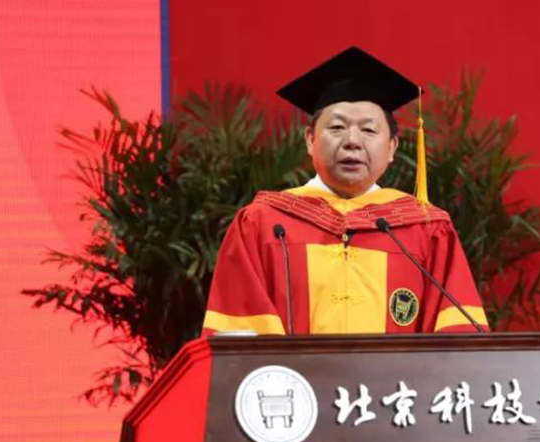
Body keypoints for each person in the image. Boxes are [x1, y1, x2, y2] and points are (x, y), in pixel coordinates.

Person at [201, 46, 487, 336]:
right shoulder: (262, 224)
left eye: (369, 130)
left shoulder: (427, 230)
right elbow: (239, 345)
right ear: (310, 140)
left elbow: (459, 341)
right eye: (337, 127)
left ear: (392, 147)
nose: (352, 141)